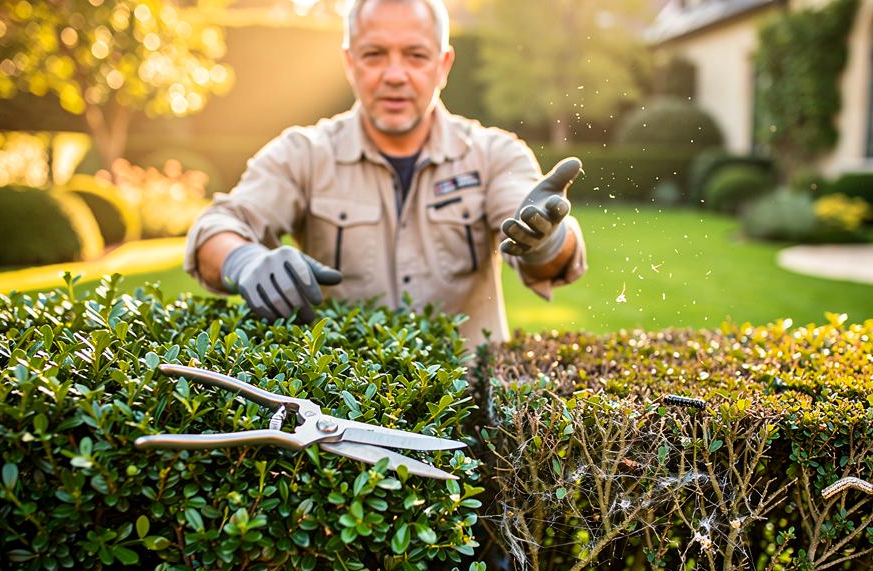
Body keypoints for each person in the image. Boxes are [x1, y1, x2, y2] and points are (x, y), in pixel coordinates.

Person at [184, 0, 587, 352]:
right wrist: (244, 261)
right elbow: (215, 229)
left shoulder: (494, 154)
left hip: (471, 414)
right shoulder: (304, 154)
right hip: (346, 413)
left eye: (415, 55)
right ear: (349, 62)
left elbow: (542, 248)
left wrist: (547, 239)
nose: (395, 74)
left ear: (443, 65)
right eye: (375, 54)